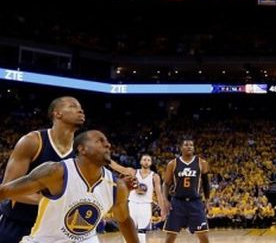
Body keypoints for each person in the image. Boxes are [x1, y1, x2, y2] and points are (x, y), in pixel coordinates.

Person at [0, 96, 134, 243]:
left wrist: (119, 187)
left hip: (57, 230)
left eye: (81, 107)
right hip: (20, 223)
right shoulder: (33, 142)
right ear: (57, 113)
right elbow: (9, 187)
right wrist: (50, 200)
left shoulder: (82, 152)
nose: (80, 110)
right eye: (72, 106)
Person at [161, 139, 211, 242]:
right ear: (181, 148)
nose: (189, 147)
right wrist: (165, 200)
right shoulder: (173, 163)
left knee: (204, 237)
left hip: (195, 202)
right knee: (170, 237)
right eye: (186, 145)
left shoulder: (202, 163)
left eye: (191, 145)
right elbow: (166, 183)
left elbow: (206, 183)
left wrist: (207, 200)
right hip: (178, 202)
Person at [128, 154, 165, 243]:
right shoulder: (134, 172)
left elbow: (159, 194)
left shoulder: (154, 176)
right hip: (132, 203)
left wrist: (162, 209)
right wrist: (108, 161)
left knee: (141, 231)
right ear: (140, 162)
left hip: (145, 205)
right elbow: (120, 169)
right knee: (130, 230)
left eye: (148, 160)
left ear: (151, 163)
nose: (146, 161)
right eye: (144, 159)